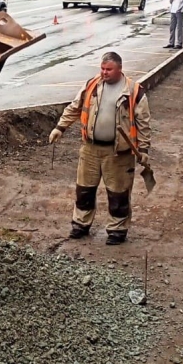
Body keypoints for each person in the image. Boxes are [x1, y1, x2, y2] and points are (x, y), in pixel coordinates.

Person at [48, 52, 152, 245]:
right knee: (84, 189)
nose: (104, 73)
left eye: (109, 69)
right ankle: (80, 224)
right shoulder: (92, 85)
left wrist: (144, 150)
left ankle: (117, 230)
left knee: (118, 193)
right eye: (102, 69)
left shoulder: (134, 92)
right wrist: (60, 127)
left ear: (119, 69)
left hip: (119, 154)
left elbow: (143, 124)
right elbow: (74, 107)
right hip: (90, 149)